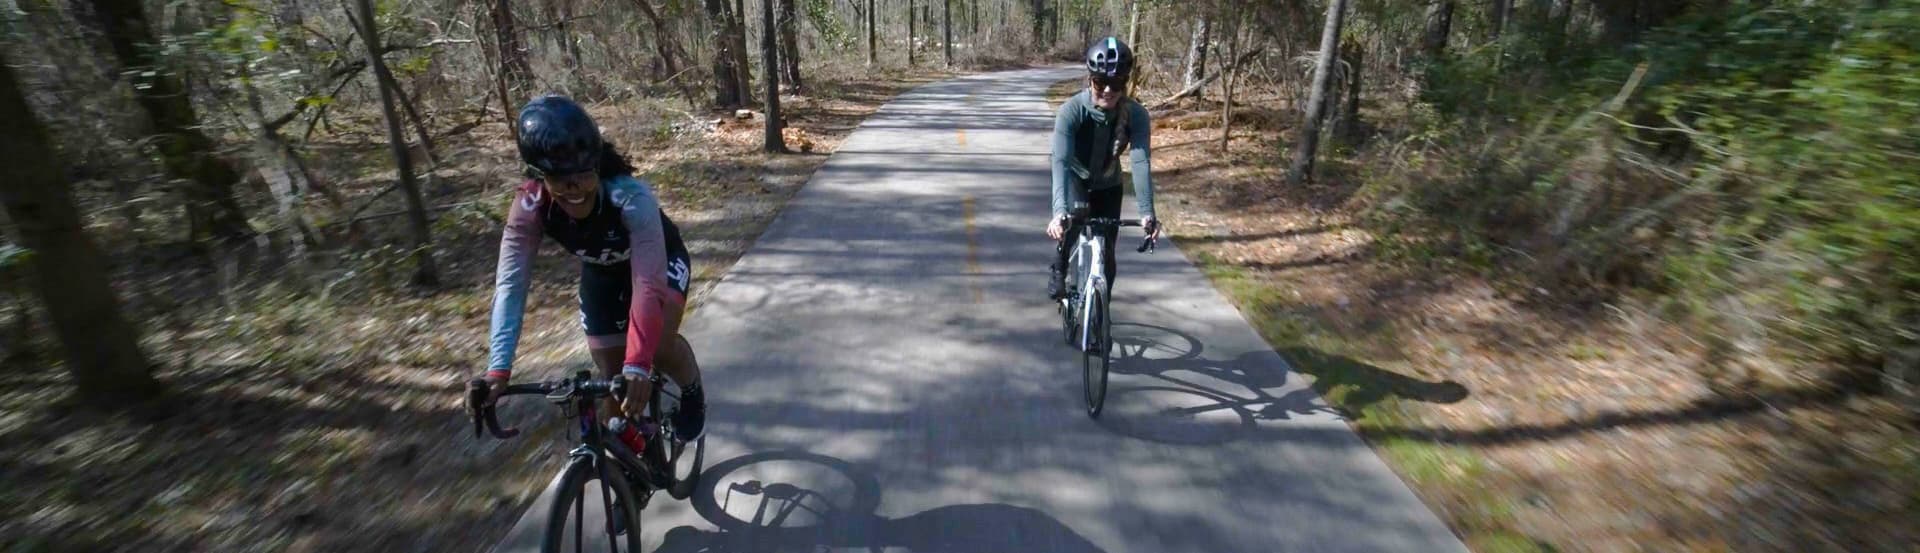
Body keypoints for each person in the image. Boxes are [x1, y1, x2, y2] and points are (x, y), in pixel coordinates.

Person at [477, 94, 706, 441]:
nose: (575, 188)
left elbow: (648, 284)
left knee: (656, 345)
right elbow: (510, 285)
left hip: (660, 260)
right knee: (611, 380)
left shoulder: (629, 197)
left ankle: (691, 390)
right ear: (539, 176)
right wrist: (498, 369)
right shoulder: (530, 205)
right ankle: (632, 457)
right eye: (560, 179)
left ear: (597, 166)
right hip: (601, 272)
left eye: (584, 174)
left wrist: (638, 363)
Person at [1047, 37, 1162, 300]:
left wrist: (1148, 213)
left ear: (1126, 83)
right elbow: (1060, 162)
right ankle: (1059, 266)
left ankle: (1101, 311)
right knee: (1072, 224)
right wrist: (1059, 212)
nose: (1108, 90)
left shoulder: (1136, 115)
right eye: (1100, 82)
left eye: (1117, 83)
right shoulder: (1071, 111)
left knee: (1107, 251)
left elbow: (1140, 162)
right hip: (1076, 178)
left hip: (1109, 184)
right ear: (1090, 80)